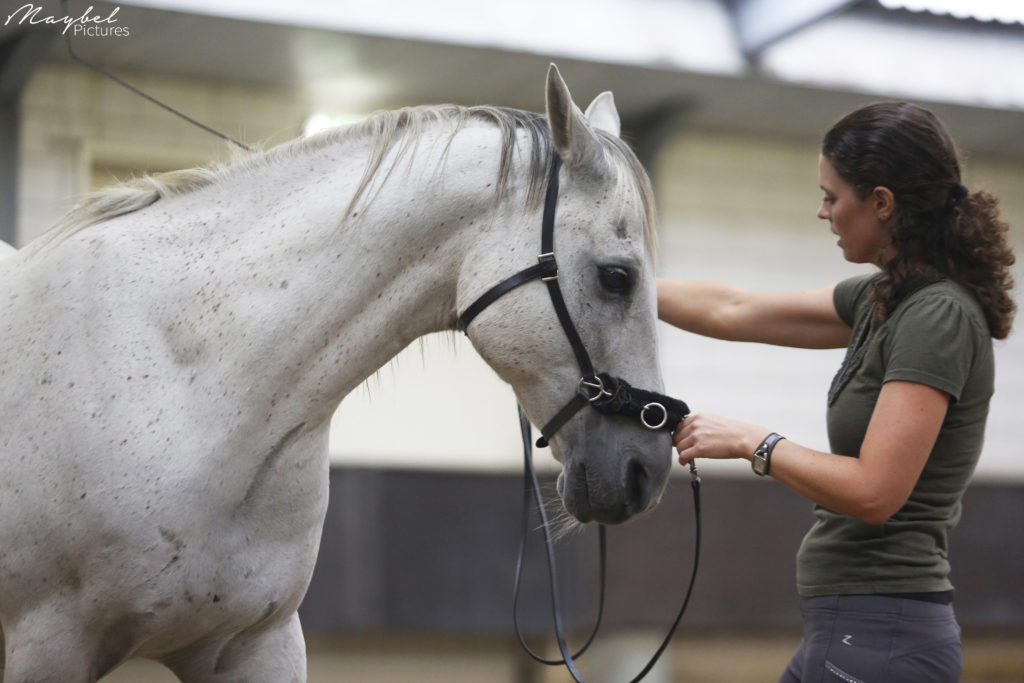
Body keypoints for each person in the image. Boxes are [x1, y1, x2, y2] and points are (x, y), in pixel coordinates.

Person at [657, 101, 1016, 683]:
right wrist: (604, 280)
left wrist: (755, 442)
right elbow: (733, 308)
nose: (822, 211)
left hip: (882, 635)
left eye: (832, 195)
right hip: (854, 627)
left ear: (881, 202)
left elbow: (876, 492)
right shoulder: (885, 298)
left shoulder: (937, 316)